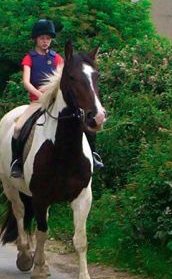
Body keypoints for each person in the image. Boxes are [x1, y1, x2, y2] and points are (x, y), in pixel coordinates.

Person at [9, 19, 104, 178]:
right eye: (42, 38)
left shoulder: (57, 58)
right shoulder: (29, 58)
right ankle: (16, 161)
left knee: (84, 122)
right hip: (37, 102)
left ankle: (93, 155)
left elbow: (63, 80)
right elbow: (26, 82)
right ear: (36, 39)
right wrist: (41, 95)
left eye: (48, 38)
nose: (45, 42)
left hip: (57, 101)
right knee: (18, 127)